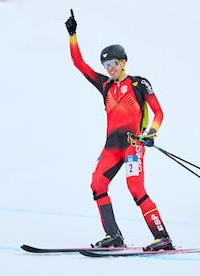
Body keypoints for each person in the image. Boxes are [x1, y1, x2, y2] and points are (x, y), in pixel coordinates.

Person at [65, 9, 173, 251]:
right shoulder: (104, 85)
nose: (109, 68)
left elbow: (159, 113)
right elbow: (78, 64)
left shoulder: (139, 83)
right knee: (97, 184)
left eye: (113, 63)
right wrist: (73, 35)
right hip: (111, 148)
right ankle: (113, 236)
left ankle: (162, 236)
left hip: (133, 145)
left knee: (136, 188)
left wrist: (151, 133)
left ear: (123, 62)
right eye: (106, 64)